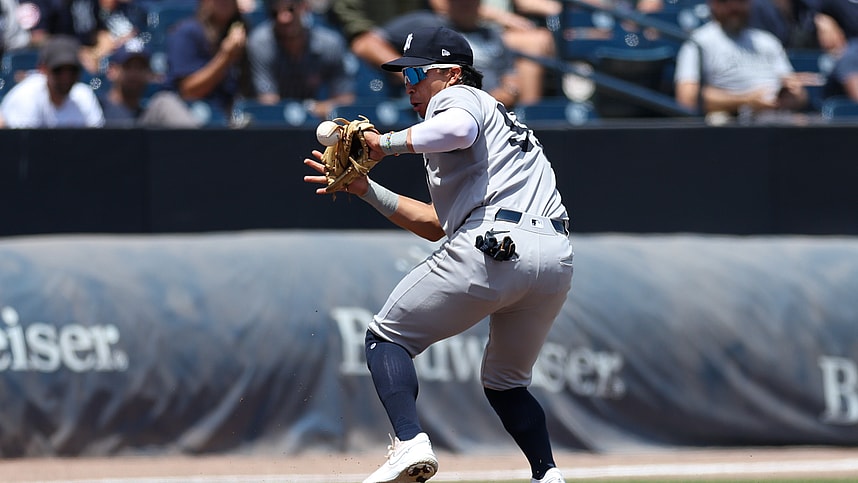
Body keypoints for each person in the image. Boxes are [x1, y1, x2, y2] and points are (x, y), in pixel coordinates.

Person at [304, 26, 573, 483]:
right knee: (506, 382)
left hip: (495, 245)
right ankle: (547, 476)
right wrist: (366, 189)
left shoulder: (459, 99)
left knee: (385, 338)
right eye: (403, 76)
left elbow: (458, 129)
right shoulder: (493, 126)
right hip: (554, 258)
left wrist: (385, 144)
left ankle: (409, 443)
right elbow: (436, 225)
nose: (408, 85)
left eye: (416, 74)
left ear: (451, 73)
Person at [674, 0, 811, 120]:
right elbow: (687, 98)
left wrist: (791, 95)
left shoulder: (767, 41)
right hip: (733, 125)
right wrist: (746, 100)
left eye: (741, 0)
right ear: (712, 4)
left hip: (778, 119)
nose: (734, 7)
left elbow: (800, 95)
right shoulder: (699, 42)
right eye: (725, 1)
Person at [376, 0, 523, 108]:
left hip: (490, 109)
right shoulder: (426, 23)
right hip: (440, 107)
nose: (464, 3)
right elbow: (369, 42)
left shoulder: (493, 35)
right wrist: (411, 75)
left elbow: (511, 77)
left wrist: (508, 93)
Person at [246, 0, 354, 118]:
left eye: (290, 9)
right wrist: (303, 111)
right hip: (276, 122)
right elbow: (268, 103)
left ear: (304, 7)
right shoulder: (260, 43)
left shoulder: (330, 44)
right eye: (275, 12)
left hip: (316, 119)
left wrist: (317, 108)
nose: (283, 18)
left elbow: (345, 100)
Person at [166, 0, 255, 115]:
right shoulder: (187, 32)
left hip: (228, 114)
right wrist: (226, 57)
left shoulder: (244, 33)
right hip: (187, 113)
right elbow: (189, 92)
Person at [0, 34, 104, 127]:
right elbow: (22, 141)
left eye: (72, 70)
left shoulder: (84, 96)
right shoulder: (26, 96)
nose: (66, 77)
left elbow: (97, 138)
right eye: (58, 70)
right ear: (43, 69)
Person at [98, 40, 201, 127]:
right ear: (112, 71)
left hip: (141, 139)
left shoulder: (150, 114)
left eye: (141, 68)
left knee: (165, 102)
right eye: (128, 67)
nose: (134, 73)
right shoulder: (97, 107)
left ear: (150, 74)